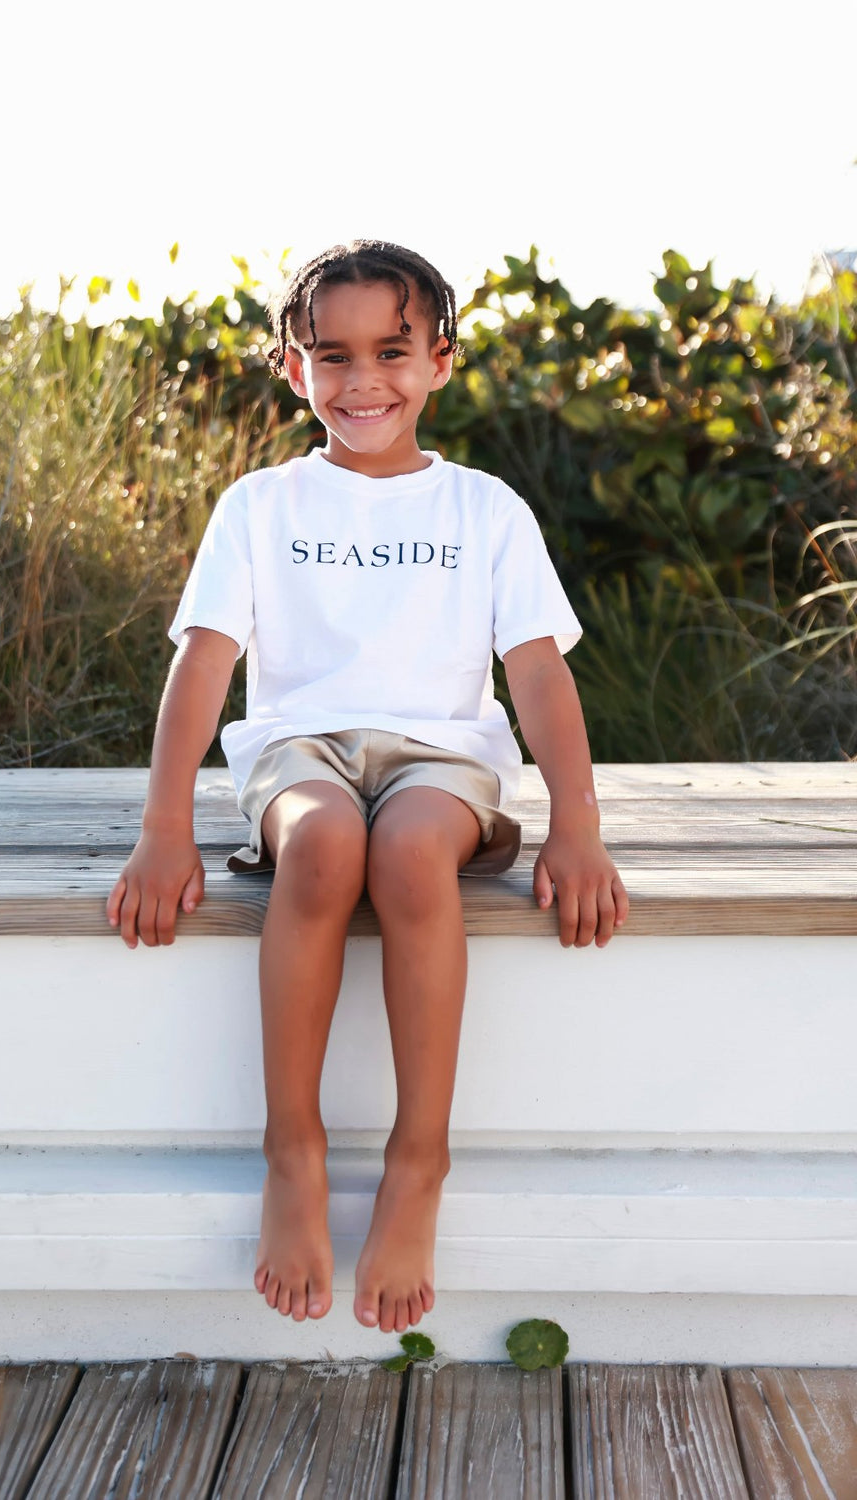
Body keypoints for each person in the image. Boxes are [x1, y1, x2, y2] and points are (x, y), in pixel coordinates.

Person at [106, 239, 629, 1336]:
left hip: (441, 757)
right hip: (302, 752)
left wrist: (576, 829)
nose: (362, 382)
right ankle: (290, 1150)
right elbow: (202, 662)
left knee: (402, 853)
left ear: (439, 359)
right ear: (292, 367)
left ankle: (417, 1159)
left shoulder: (484, 510)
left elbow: (536, 672)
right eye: (331, 356)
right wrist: (164, 828)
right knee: (325, 845)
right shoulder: (259, 506)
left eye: (390, 352)